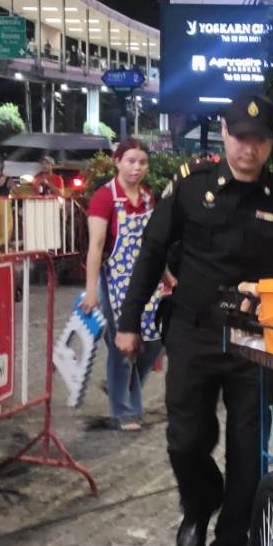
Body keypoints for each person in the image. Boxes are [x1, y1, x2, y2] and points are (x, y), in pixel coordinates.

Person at [115, 92, 273, 546]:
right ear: (224, 133)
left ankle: (231, 543)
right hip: (193, 332)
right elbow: (152, 251)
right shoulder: (191, 185)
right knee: (185, 439)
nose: (249, 148)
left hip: (255, 344)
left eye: (259, 139)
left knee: (249, 448)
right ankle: (200, 504)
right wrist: (129, 320)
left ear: (271, 143)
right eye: (240, 137)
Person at [82, 139, 166, 432]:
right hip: (114, 281)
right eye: (130, 161)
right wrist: (91, 290)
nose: (136, 167)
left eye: (142, 162)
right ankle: (124, 410)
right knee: (123, 347)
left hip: (146, 281)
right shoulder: (104, 198)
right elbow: (96, 246)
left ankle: (123, 388)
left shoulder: (147, 197)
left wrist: (166, 275)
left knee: (153, 342)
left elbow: (154, 244)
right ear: (117, 162)